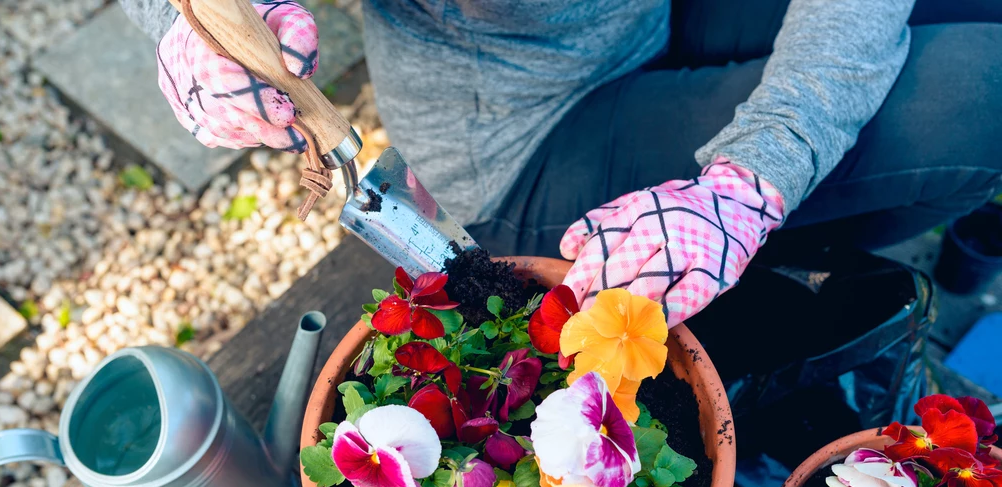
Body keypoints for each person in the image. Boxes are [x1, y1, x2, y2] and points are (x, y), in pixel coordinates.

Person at [132, 0, 1002, 326]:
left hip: (645, 17)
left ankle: (805, 243)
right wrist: (183, 26)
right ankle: (797, 268)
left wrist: (754, 177)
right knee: (980, 91)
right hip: (529, 136)